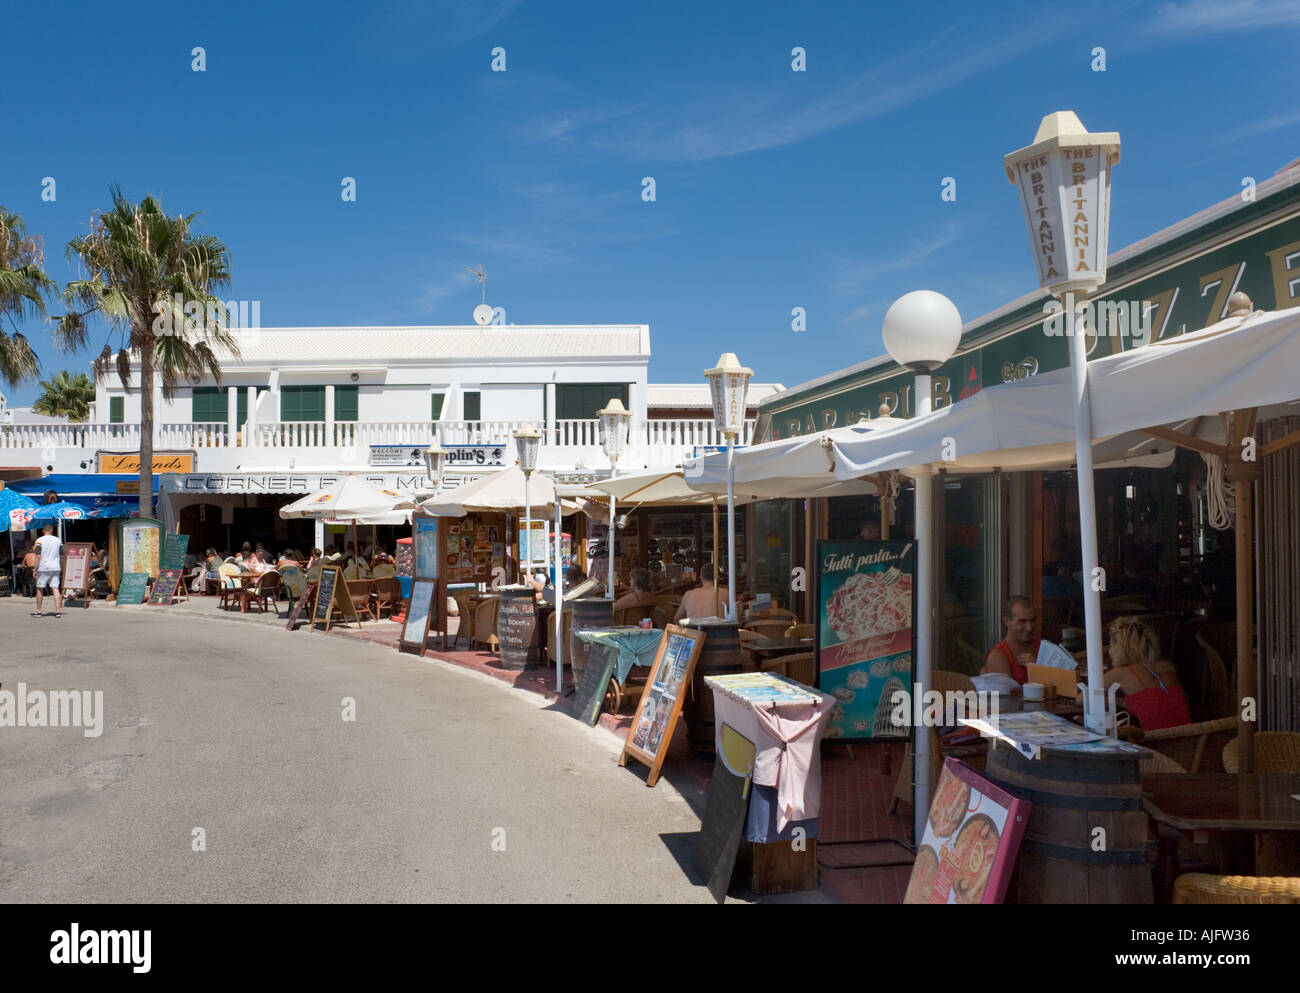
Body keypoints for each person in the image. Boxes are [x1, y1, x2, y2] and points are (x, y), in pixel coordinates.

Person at [1103, 616, 1191, 730]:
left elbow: (1082, 699)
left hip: (1158, 743)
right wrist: (1121, 702)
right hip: (1190, 740)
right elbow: (1155, 702)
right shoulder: (1167, 670)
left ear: (1118, 647)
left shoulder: (1121, 673)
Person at [981, 594, 1041, 685]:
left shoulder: (1041, 645)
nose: (1029, 628)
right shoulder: (997, 656)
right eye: (1022, 621)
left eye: (1032, 620)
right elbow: (1007, 697)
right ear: (1007, 621)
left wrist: (1038, 667)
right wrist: (1038, 670)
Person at [32, 524, 64, 617]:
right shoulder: (58, 540)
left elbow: (38, 556)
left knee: (39, 589)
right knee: (55, 588)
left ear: (43, 531)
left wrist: (35, 569)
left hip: (43, 567)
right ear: (52, 531)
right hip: (56, 566)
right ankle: (58, 611)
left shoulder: (39, 541)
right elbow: (62, 555)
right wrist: (61, 566)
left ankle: (38, 611)